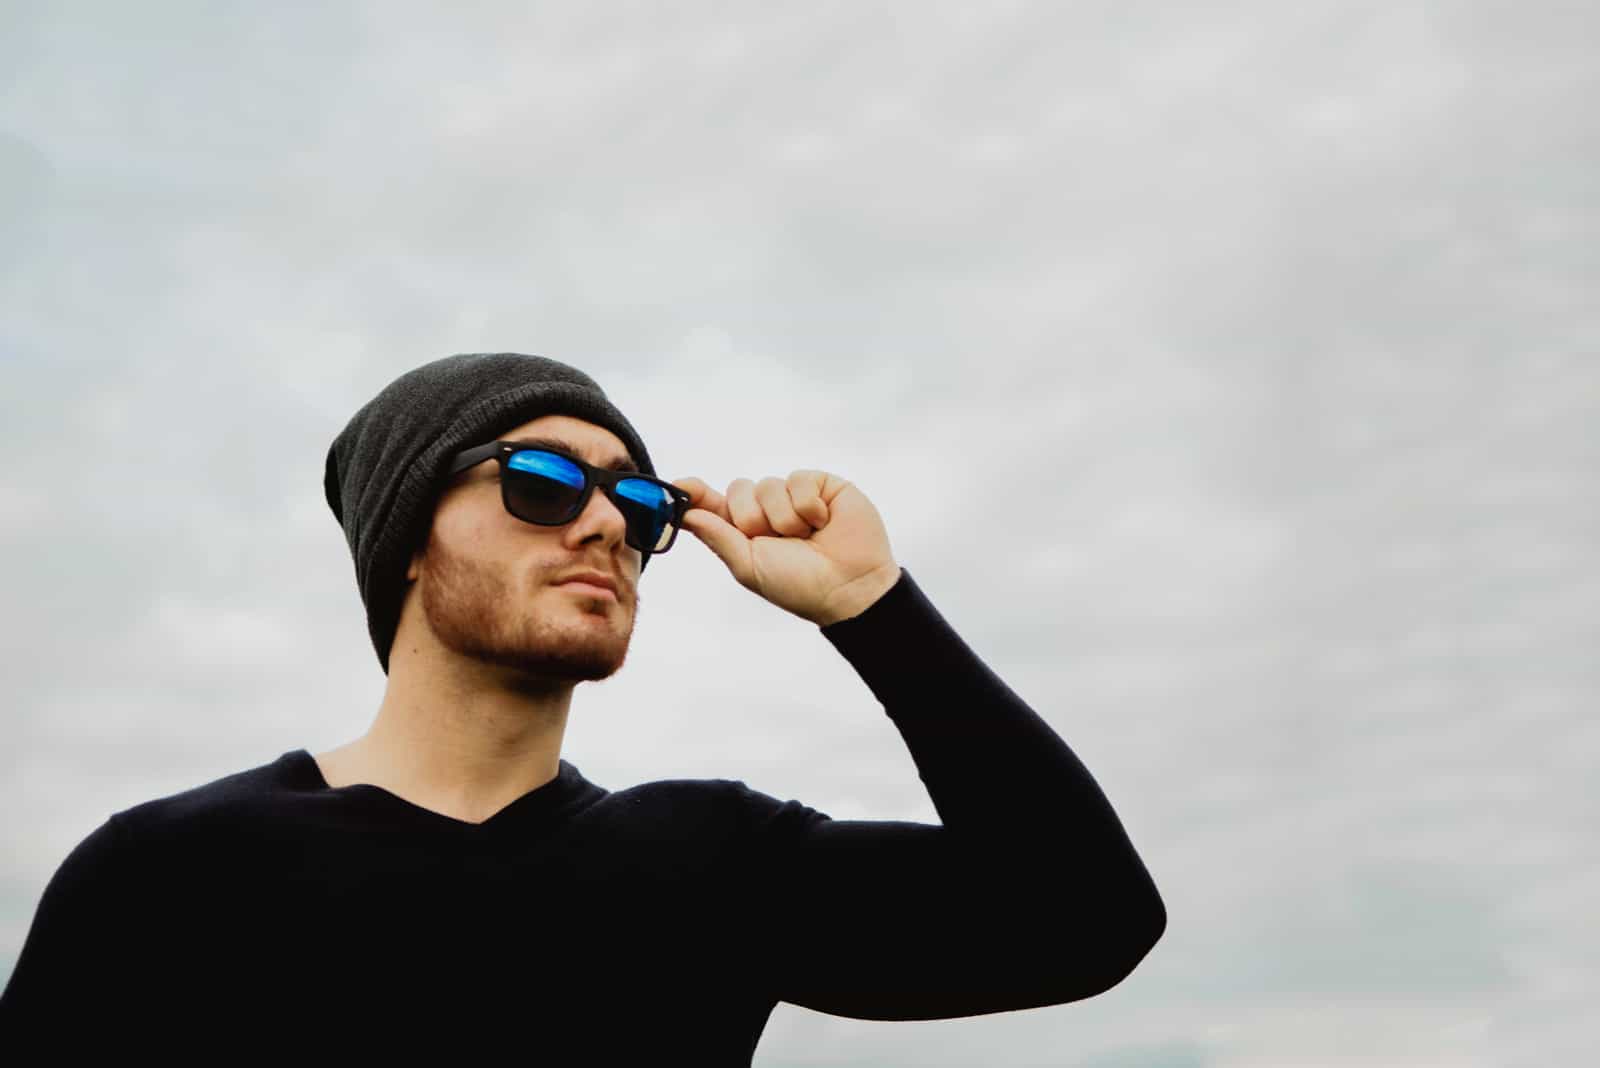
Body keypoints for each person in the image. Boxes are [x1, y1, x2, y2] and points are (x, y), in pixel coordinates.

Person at [0, 353, 1165, 1061]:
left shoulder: (707, 860)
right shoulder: (168, 872)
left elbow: (1083, 918)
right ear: (407, 541)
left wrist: (871, 606)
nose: (605, 522)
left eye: (638, 504)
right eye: (543, 481)